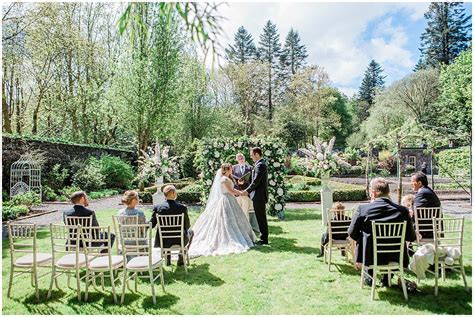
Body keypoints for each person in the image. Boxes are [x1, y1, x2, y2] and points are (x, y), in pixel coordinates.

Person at [348, 178, 416, 287]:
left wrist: (363, 238)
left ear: (373, 193)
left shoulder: (363, 209)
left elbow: (352, 233)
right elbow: (411, 237)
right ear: (388, 192)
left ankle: (369, 277)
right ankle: (387, 278)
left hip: (370, 255)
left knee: (364, 237)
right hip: (395, 255)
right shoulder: (402, 211)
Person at [188, 163, 256, 257]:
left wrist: (239, 187)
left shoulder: (229, 178)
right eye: (230, 169)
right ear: (226, 170)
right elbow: (230, 191)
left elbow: (233, 188)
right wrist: (241, 193)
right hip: (226, 199)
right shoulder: (224, 179)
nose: (232, 170)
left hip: (230, 199)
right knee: (226, 219)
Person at [150, 185, 193, 266]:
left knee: (166, 234)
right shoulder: (182, 208)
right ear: (173, 193)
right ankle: (181, 257)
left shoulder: (158, 207)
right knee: (191, 232)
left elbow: (152, 224)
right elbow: (187, 226)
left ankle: (168, 258)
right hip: (179, 240)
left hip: (164, 241)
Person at [242, 147, 269, 245]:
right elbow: (254, 180)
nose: (251, 157)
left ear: (257, 154)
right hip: (258, 196)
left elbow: (256, 181)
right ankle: (263, 238)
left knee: (261, 218)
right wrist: (245, 181)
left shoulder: (260, 165)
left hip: (259, 196)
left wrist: (247, 191)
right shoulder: (259, 164)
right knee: (260, 217)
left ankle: (264, 239)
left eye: (252, 155)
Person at [232, 153, 261, 236]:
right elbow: (231, 180)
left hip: (246, 193)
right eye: (239, 158)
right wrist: (237, 182)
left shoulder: (250, 168)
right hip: (236, 193)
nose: (241, 159)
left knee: (245, 212)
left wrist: (245, 182)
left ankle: (246, 231)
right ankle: (238, 229)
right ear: (237, 160)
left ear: (244, 159)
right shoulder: (234, 168)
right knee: (237, 212)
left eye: (242, 158)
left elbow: (253, 181)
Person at [411, 172, 441, 239]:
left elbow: (414, 212)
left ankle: (407, 249)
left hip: (426, 230)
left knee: (402, 227)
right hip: (432, 228)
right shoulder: (428, 191)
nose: (411, 184)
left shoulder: (422, 193)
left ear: (419, 183)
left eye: (412, 181)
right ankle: (408, 249)